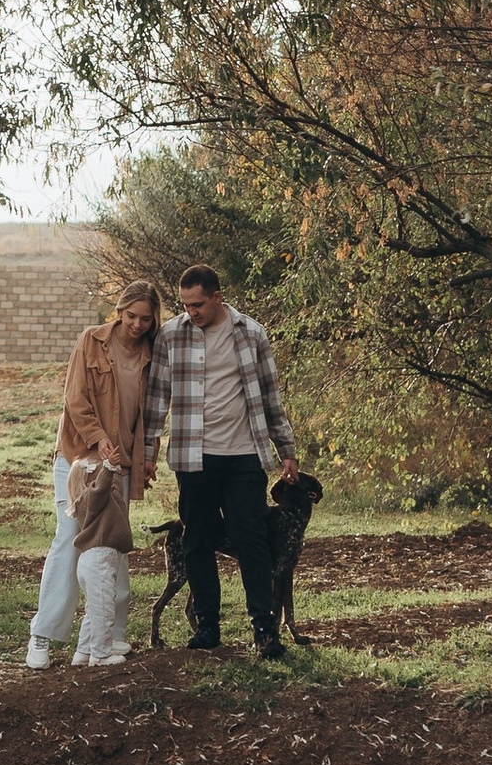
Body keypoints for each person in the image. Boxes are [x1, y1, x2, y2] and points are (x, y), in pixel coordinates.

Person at [142, 261, 298, 659]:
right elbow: (157, 397)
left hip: (244, 454)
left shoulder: (250, 333)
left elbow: (269, 396)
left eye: (198, 304)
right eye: (185, 304)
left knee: (252, 539)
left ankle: (264, 630)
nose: (190, 311)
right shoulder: (172, 335)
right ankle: (208, 628)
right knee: (198, 539)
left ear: (217, 298)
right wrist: (147, 452)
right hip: (193, 457)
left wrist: (287, 451)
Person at [28, 282, 159, 669]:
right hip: (79, 459)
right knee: (70, 540)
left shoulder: (153, 354)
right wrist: (98, 438)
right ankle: (43, 635)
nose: (136, 324)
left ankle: (106, 637)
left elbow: (149, 414)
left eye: (145, 318)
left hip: (118, 464)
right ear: (119, 311)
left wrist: (147, 455)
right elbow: (75, 397)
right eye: (130, 315)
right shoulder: (91, 341)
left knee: (113, 546)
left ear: (154, 320)